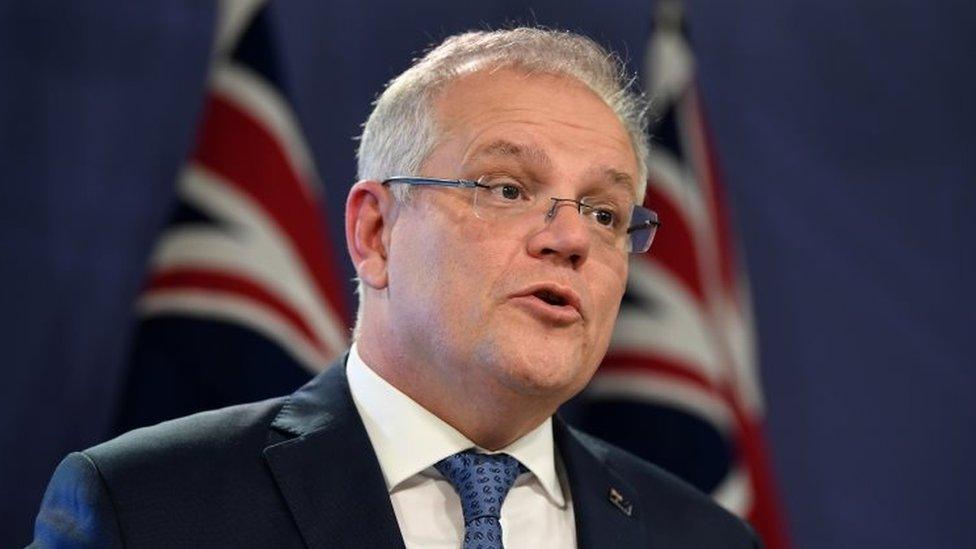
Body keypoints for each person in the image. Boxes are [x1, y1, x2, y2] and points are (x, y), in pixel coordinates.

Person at [31, 28, 760, 548]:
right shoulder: (148, 508)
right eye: (507, 188)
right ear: (376, 233)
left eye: (605, 213)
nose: (570, 238)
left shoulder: (702, 535)